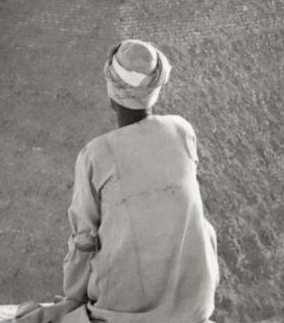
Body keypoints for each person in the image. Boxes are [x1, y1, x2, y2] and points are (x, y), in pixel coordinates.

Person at [17, 39, 219, 323]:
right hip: (194, 305)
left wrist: (74, 300)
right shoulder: (182, 130)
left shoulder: (96, 154)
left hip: (125, 312)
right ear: (156, 89)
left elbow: (84, 239)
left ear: (111, 91)